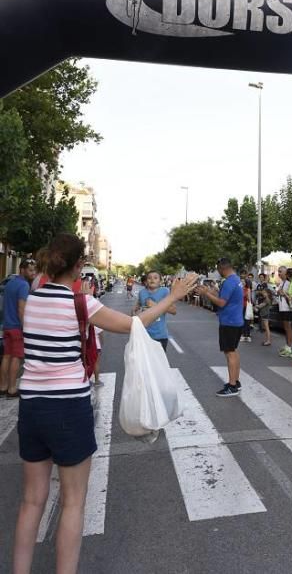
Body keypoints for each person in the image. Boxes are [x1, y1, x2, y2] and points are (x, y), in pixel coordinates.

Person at [12, 234, 197, 574]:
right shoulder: (80, 303)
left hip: (31, 406)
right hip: (68, 406)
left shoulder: (34, 298)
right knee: (73, 502)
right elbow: (134, 325)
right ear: (79, 266)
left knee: (31, 500)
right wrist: (173, 295)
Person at [196, 258, 243, 396]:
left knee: (230, 353)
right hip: (235, 321)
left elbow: (222, 303)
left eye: (218, 269)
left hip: (229, 322)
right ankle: (236, 381)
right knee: (233, 351)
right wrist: (210, 291)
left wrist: (206, 294)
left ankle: (232, 386)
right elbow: (224, 297)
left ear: (222, 268)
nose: (218, 272)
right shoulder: (235, 279)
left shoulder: (229, 282)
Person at [0, 259, 36, 399]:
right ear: (22, 270)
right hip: (17, 327)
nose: (33, 273)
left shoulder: (10, 283)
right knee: (17, 357)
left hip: (7, 325)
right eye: (30, 270)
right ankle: (12, 389)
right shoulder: (23, 285)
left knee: (6, 356)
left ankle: (2, 387)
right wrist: (25, 327)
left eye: (34, 270)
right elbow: (22, 309)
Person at [133, 270, 176, 352]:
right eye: (149, 278)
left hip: (160, 336)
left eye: (155, 278)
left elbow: (173, 311)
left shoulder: (165, 291)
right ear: (146, 281)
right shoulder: (142, 292)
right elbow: (138, 304)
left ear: (160, 281)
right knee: (144, 363)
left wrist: (155, 306)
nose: (152, 280)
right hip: (143, 335)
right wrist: (134, 311)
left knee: (159, 363)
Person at [276, 266, 292, 357]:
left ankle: (289, 348)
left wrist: (283, 293)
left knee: (288, 328)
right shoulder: (282, 282)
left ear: (286, 273)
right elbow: (278, 292)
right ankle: (287, 346)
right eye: (278, 272)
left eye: (280, 272)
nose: (279, 273)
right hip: (282, 308)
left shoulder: (289, 283)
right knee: (285, 328)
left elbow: (290, 296)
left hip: (287, 309)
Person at [239, 270, 252, 342]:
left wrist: (247, 295)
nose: (242, 283)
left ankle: (247, 335)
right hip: (240, 307)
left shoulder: (247, 289)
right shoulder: (238, 289)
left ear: (245, 283)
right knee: (241, 321)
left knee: (247, 321)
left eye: (243, 282)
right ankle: (243, 335)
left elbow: (249, 299)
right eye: (241, 282)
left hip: (246, 306)